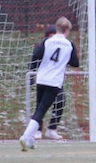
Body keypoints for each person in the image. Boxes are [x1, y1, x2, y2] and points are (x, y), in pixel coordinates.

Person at [19, 17, 80, 151]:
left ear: (57, 28)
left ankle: (30, 141)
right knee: (41, 110)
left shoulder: (47, 41)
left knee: (38, 108)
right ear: (67, 30)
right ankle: (25, 136)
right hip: (54, 81)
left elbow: (37, 54)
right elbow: (75, 63)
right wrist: (64, 59)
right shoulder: (69, 44)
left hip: (41, 78)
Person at [30, 25, 66, 140]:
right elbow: (34, 59)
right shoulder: (44, 46)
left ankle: (52, 128)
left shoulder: (64, 45)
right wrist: (31, 76)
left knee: (60, 101)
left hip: (56, 80)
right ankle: (37, 130)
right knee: (41, 105)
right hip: (44, 80)